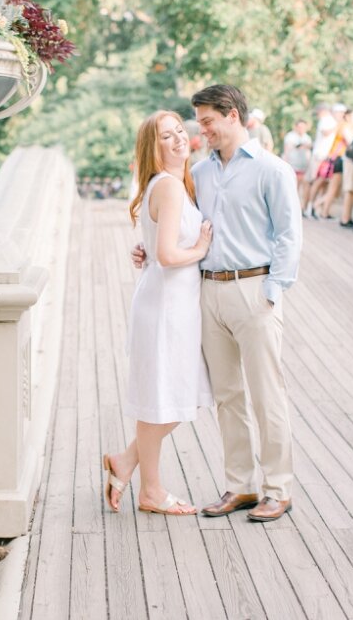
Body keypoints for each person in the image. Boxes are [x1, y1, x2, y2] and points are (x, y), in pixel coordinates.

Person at [133, 84, 302, 521]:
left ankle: (277, 488)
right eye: (199, 123)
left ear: (233, 117)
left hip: (254, 290)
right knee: (228, 395)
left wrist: (273, 289)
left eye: (207, 122)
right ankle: (240, 486)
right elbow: (173, 226)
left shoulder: (272, 169)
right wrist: (146, 252)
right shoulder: (200, 174)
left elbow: (288, 236)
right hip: (207, 291)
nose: (200, 131)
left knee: (267, 394)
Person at [102, 110, 214, 516]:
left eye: (180, 131)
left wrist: (148, 252)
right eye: (167, 137)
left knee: (178, 397)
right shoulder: (167, 187)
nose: (178, 139)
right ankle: (151, 490)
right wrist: (199, 251)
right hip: (167, 307)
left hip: (173, 304)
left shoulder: (174, 184)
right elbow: (168, 255)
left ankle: (126, 462)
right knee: (164, 400)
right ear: (154, 148)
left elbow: (157, 247)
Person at [317, 107, 353, 219]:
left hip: (338, 158)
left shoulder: (343, 126)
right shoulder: (344, 126)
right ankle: (322, 208)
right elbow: (351, 142)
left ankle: (323, 209)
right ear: (347, 116)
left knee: (334, 188)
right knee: (333, 188)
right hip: (339, 158)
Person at [302, 103, 342, 218]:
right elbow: (325, 133)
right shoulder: (327, 120)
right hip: (320, 156)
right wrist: (337, 126)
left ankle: (313, 208)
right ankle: (308, 207)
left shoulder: (328, 120)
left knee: (321, 182)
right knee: (314, 181)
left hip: (325, 156)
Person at [282, 119, 312, 199]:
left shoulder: (307, 138)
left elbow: (308, 152)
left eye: (303, 127)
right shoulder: (290, 137)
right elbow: (287, 150)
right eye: (299, 127)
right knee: (294, 187)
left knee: (305, 186)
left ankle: (303, 207)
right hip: (293, 165)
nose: (301, 129)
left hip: (304, 167)